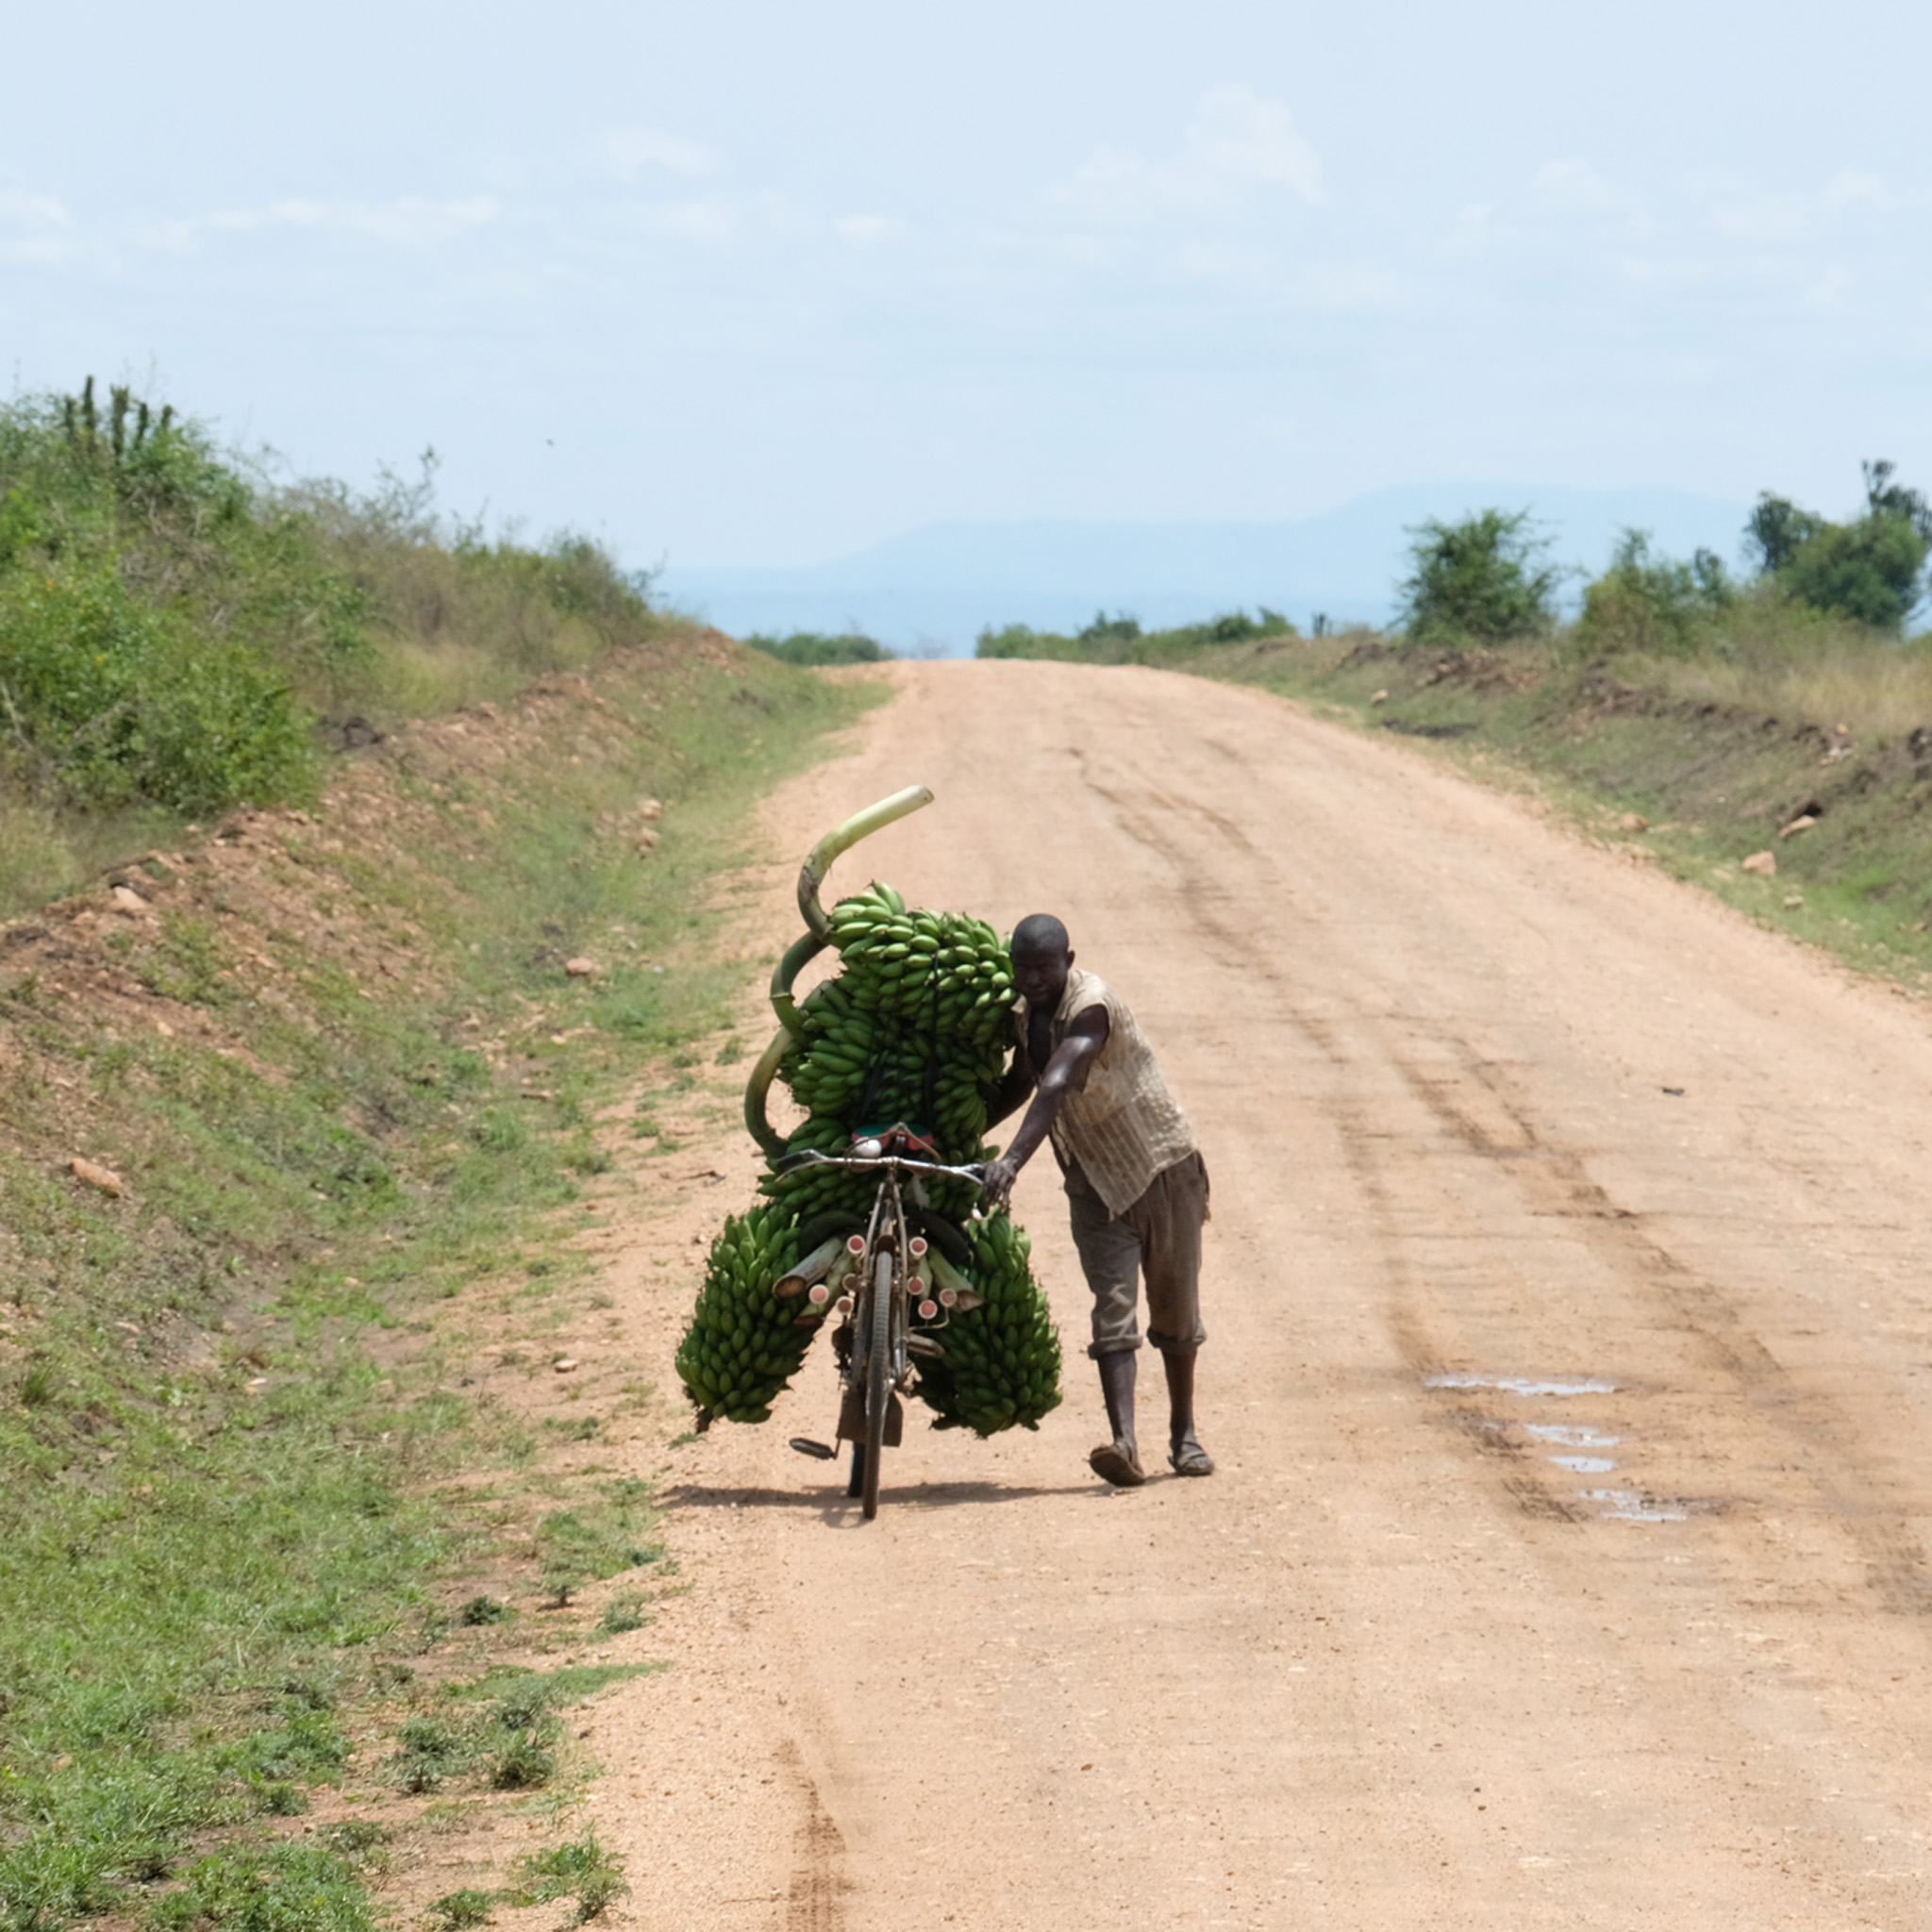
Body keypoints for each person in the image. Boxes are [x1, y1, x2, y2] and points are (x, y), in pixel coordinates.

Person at [982, 914, 1212, 1485]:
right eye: (1022, 969)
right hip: (1093, 1180)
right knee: (1112, 1307)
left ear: (1068, 960)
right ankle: (1124, 1443)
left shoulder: (1092, 1007)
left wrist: (1012, 1161)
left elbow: (1056, 1082)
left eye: (1044, 968)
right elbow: (1023, 1082)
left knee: (1176, 1310)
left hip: (1159, 1167)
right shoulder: (1022, 1014)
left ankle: (1183, 1434)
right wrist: (956, 1131)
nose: (1033, 980)